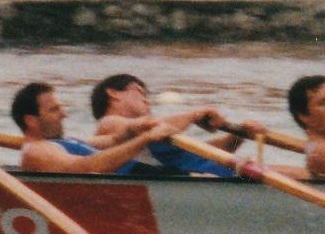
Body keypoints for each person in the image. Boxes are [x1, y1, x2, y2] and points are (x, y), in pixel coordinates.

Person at [87, 73, 243, 177]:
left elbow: (209, 154)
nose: (146, 100)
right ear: (113, 93)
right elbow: (146, 126)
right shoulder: (108, 123)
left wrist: (239, 135)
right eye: (139, 91)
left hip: (221, 177)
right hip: (212, 182)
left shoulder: (155, 139)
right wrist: (194, 116)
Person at [12, 83, 184, 174]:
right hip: (143, 182)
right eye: (54, 110)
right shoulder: (35, 150)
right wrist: (146, 139)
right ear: (31, 121)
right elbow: (84, 167)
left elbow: (113, 140)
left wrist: (134, 128)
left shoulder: (59, 143)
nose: (64, 114)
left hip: (151, 175)